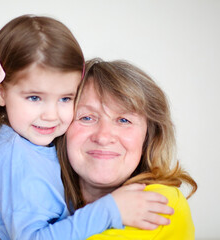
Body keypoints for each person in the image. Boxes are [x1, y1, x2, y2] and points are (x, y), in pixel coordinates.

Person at [0, 14, 173, 240]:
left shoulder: (30, 148)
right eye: (34, 97)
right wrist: (111, 210)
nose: (51, 115)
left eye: (65, 99)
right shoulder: (17, 156)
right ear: (0, 92)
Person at [56, 58, 197, 239]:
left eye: (124, 120)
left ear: (148, 137)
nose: (103, 137)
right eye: (87, 118)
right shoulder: (45, 198)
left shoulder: (160, 203)